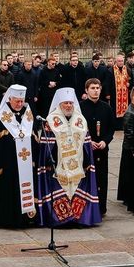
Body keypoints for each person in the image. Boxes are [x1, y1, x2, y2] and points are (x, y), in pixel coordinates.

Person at [34, 87, 101, 227]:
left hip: (78, 164)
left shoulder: (80, 119)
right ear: (59, 104)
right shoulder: (51, 121)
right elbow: (47, 146)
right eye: (66, 103)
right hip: (58, 166)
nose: (69, 106)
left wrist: (87, 161)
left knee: (76, 190)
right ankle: (61, 220)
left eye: (71, 103)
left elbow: (86, 142)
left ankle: (78, 218)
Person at [0, 85, 38, 228]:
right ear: (10, 99)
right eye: (17, 101)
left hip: (27, 162)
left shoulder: (28, 114)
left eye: (22, 101)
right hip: (8, 163)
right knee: (9, 189)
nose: (20, 104)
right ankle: (7, 218)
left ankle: (27, 217)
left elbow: (34, 138)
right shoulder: (2, 117)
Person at [80, 78, 115, 215]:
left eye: (97, 88)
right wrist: (88, 141)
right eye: (92, 88)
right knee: (86, 178)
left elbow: (111, 128)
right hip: (86, 150)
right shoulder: (81, 107)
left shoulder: (106, 107)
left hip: (101, 149)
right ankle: (86, 207)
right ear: (86, 90)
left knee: (101, 178)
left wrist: (105, 141)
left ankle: (101, 208)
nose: (95, 91)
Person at [116, 86, 134, 204]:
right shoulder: (130, 112)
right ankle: (127, 197)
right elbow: (129, 133)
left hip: (132, 146)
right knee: (128, 173)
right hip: (130, 147)